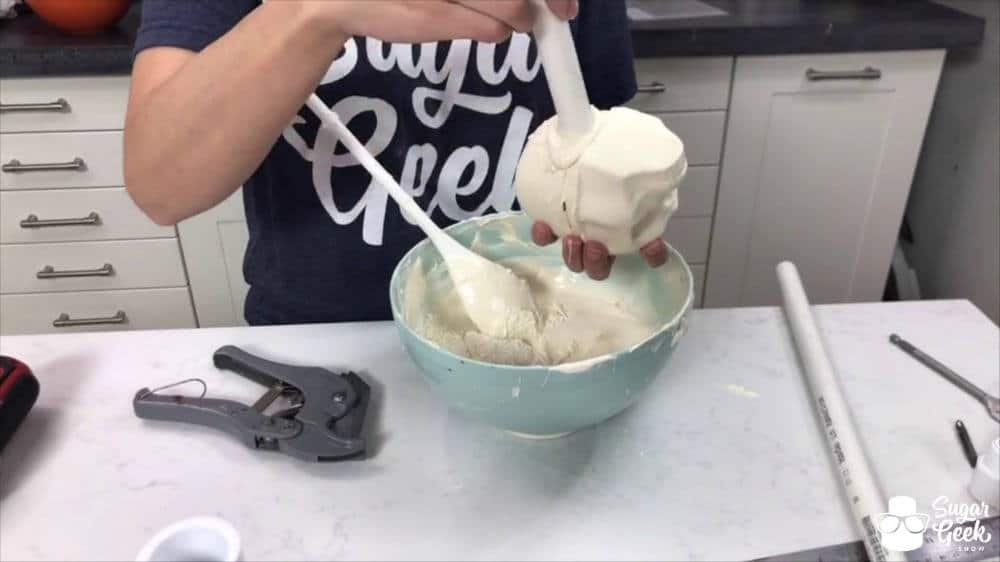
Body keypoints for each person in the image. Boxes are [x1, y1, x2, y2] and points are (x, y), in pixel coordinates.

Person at [125, 0, 669, 326]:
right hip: (313, 349)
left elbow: (594, 144)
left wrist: (612, 219)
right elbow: (162, 185)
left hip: (538, 328)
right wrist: (317, 12)